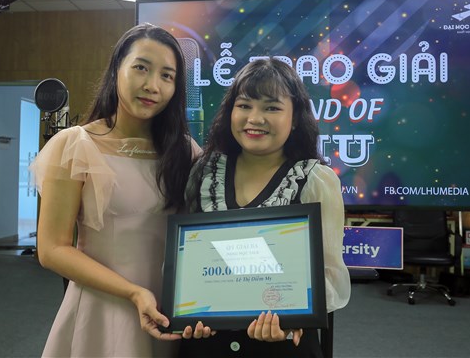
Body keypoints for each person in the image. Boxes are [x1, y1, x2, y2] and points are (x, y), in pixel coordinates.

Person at [29, 23, 200, 358]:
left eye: (167, 76)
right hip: (103, 306)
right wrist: (132, 292)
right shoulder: (76, 144)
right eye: (141, 68)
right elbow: (51, 249)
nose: (152, 85)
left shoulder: (185, 151)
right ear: (116, 69)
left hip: (166, 309)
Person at [178, 58, 351, 358]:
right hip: (208, 341)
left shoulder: (314, 180)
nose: (255, 118)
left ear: (295, 119)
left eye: (271, 108)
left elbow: (329, 274)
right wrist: (185, 309)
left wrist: (291, 317)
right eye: (244, 105)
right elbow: (188, 257)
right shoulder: (204, 171)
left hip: (281, 344)